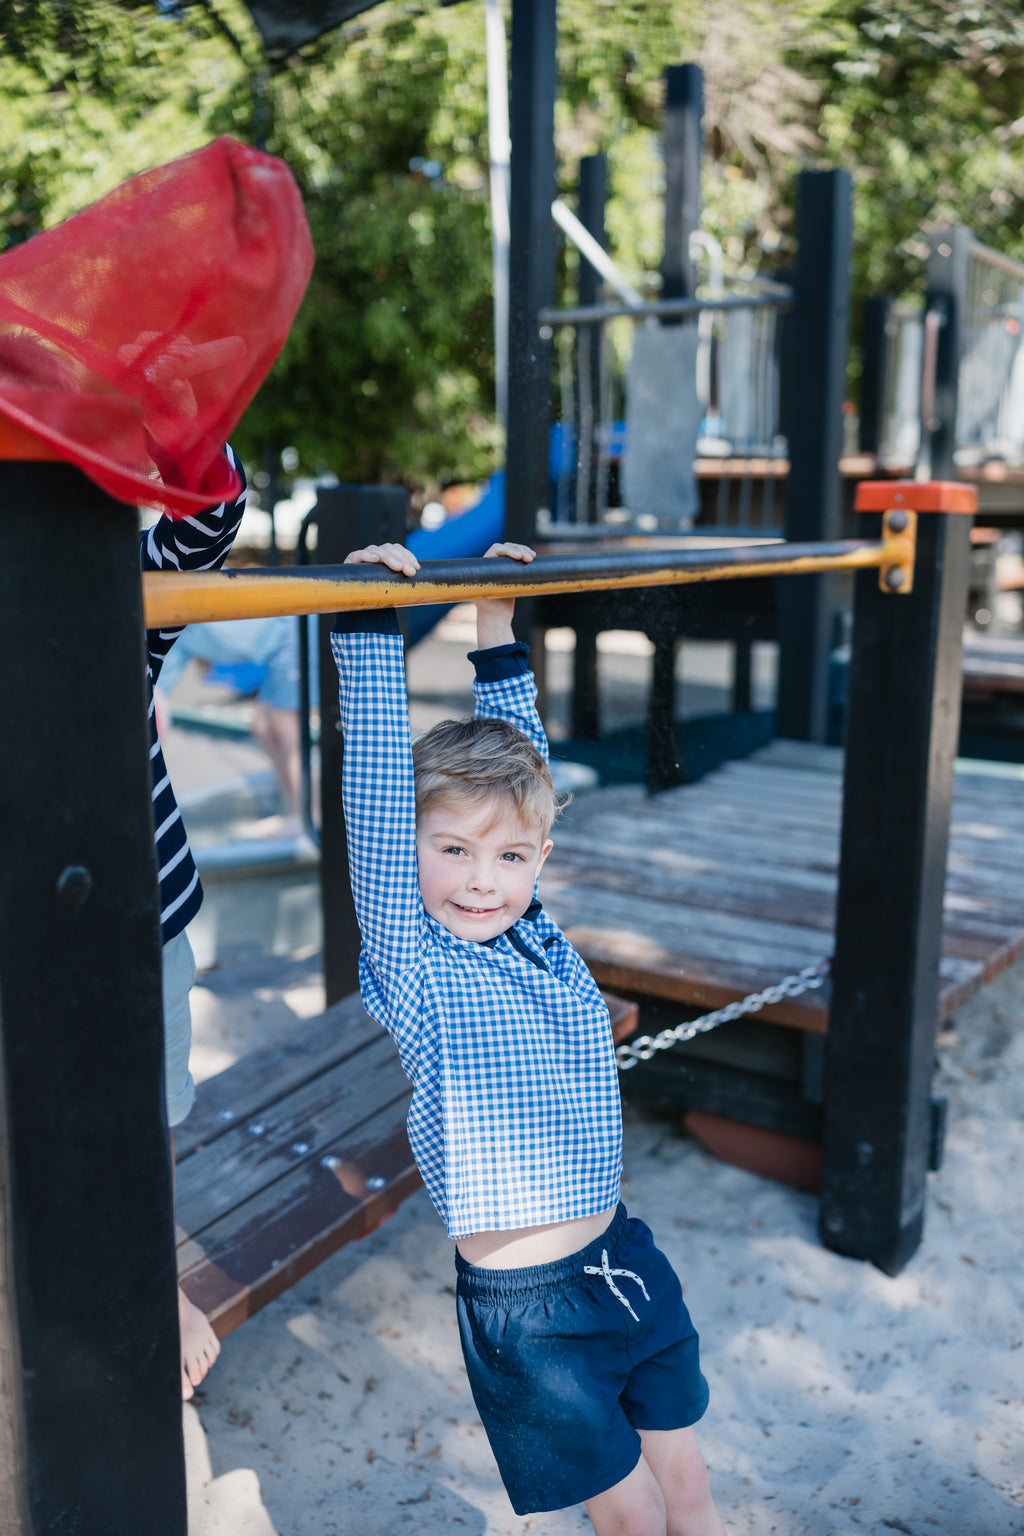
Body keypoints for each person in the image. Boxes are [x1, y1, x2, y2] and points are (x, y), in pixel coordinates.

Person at [332, 540, 727, 1534]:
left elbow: (525, 776)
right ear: (412, 850)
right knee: (629, 1512)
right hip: (531, 1314)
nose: (479, 880)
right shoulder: (415, 961)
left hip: (622, 1256)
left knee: (689, 1489)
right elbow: (376, 797)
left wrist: (496, 624)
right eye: (452, 850)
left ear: (539, 859)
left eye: (507, 857)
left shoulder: (536, 931)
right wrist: (369, 617)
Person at [143, 444, 248, 1398]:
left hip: (142, 916)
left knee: (152, 1113)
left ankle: (160, 1275)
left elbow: (211, 518)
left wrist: (175, 409)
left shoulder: (116, 598)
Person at [155, 613, 316, 840]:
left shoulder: (176, 625)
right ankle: (294, 809)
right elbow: (158, 691)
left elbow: (157, 695)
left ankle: (303, 815)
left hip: (293, 633)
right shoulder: (175, 633)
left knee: (285, 727)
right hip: (279, 644)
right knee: (261, 726)